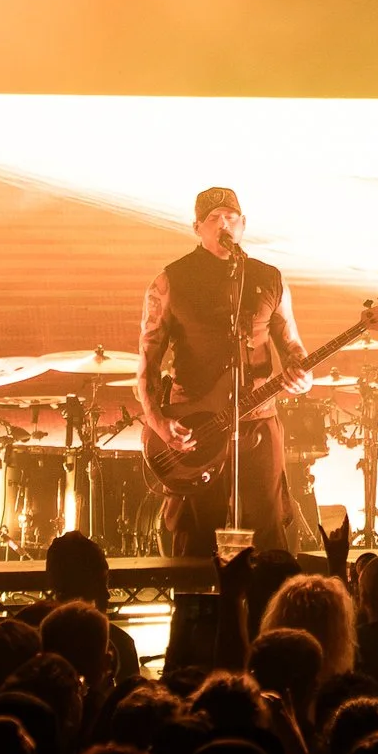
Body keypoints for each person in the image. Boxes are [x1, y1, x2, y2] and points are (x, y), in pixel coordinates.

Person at [138, 187, 313, 557]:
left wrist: (303, 375)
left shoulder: (269, 278)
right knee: (199, 537)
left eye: (231, 218)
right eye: (214, 219)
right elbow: (148, 365)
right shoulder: (171, 281)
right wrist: (158, 422)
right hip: (197, 427)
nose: (224, 225)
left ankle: (266, 611)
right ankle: (201, 611)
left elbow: (292, 344)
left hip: (258, 420)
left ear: (244, 224)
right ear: (197, 227)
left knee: (265, 535)